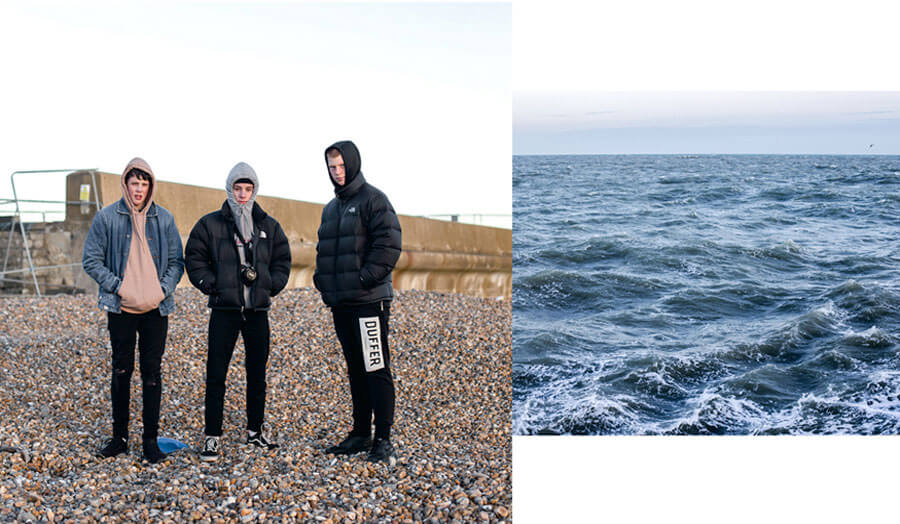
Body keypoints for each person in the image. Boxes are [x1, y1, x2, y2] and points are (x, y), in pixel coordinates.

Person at [185, 162, 291, 462]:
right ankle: (212, 437)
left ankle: (255, 431)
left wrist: (272, 285)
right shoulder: (210, 224)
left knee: (257, 374)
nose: (243, 195)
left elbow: (283, 259)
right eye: (238, 188)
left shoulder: (268, 226)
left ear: (254, 190)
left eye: (248, 189)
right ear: (229, 189)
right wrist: (210, 284)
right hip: (224, 309)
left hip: (257, 310)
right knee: (216, 374)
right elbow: (194, 257)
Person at [82, 157, 185, 464]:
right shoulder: (107, 218)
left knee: (152, 374)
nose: (139, 189)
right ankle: (120, 438)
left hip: (156, 309)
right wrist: (119, 286)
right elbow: (91, 260)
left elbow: (176, 262)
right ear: (125, 183)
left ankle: (150, 441)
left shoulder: (164, 219)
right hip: (121, 308)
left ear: (150, 185)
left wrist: (161, 289)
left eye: (144, 183)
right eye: (134, 183)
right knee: (121, 371)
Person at [314, 140, 402, 464]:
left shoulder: (374, 200)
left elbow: (389, 246)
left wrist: (364, 279)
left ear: (352, 163)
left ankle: (384, 438)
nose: (337, 173)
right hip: (342, 304)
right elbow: (325, 251)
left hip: (369, 302)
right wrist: (321, 279)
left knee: (375, 366)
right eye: (331, 167)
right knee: (355, 369)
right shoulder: (330, 208)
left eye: (341, 166)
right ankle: (361, 432)